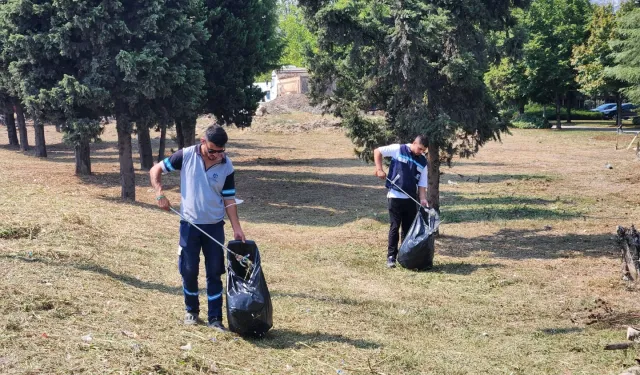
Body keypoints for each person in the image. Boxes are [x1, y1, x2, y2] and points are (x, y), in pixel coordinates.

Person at [150, 124, 246, 332]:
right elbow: (155, 169)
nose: (217, 156)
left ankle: (215, 319)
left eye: (221, 152)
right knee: (189, 269)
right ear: (203, 142)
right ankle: (191, 311)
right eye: (213, 151)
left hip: (214, 227)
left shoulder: (226, 166)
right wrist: (159, 194)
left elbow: (228, 198)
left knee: (214, 272)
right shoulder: (185, 156)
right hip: (189, 225)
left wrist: (236, 227)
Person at [373, 135, 428, 268]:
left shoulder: (423, 162)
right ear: (414, 143)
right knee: (395, 226)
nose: (420, 152)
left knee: (408, 230)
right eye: (419, 149)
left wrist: (423, 199)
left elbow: (422, 184)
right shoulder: (398, 149)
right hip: (395, 196)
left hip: (410, 199)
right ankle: (391, 256)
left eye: (423, 150)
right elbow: (378, 151)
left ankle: (404, 256)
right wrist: (379, 169)